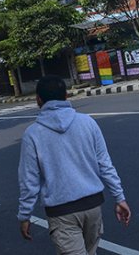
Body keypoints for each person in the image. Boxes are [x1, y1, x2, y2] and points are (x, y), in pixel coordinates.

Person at [18, 75, 131, 254]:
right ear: (66, 96)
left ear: (38, 99)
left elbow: (29, 180)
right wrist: (120, 198)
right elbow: (105, 164)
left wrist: (25, 215)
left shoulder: (32, 134)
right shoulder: (88, 123)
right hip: (93, 207)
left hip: (62, 212)